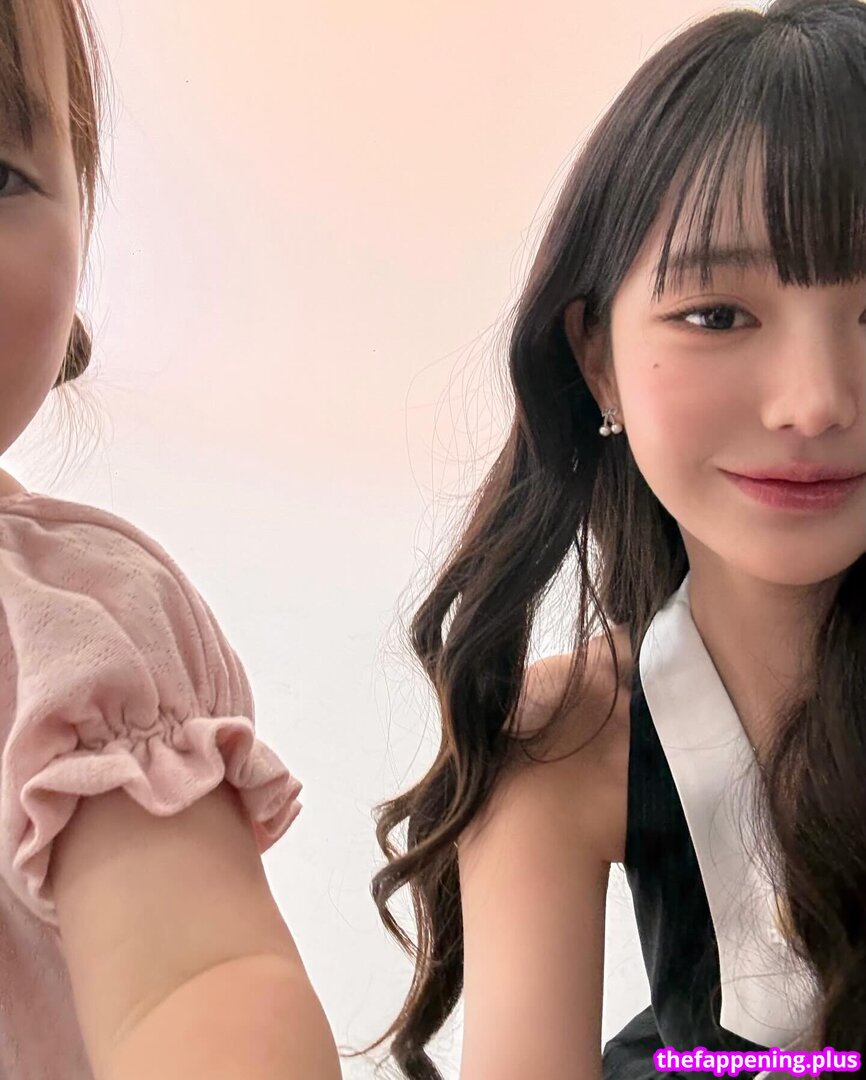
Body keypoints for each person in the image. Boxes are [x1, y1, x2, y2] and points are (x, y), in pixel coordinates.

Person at [0, 2, 864, 1080]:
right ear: (594, 356)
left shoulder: (82, 634)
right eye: (718, 315)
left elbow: (198, 990)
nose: (812, 402)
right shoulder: (563, 740)